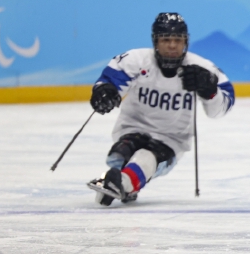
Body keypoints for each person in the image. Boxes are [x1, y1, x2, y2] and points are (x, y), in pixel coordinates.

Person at [87, 12, 235, 206]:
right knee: (119, 154)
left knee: (146, 157)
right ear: (155, 41)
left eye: (178, 40)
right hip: (132, 129)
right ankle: (127, 183)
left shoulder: (202, 68)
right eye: (166, 39)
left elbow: (221, 107)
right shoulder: (136, 60)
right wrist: (104, 91)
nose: (172, 45)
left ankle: (122, 182)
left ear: (186, 42)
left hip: (171, 139)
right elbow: (109, 81)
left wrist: (210, 90)